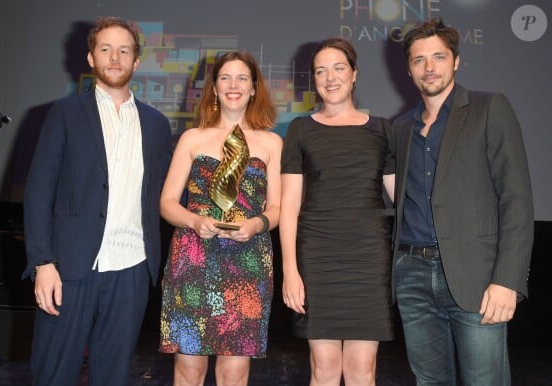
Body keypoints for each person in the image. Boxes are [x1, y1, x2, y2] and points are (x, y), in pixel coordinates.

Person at [22, 16, 173, 386]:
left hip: (132, 269)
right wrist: (43, 263)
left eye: (124, 50)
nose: (115, 57)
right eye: (105, 49)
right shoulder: (65, 114)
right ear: (91, 58)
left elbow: (168, 193)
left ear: (136, 61)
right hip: (70, 269)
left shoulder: (156, 124)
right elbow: (38, 191)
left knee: (113, 376)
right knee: (53, 374)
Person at [389, 18, 534, 385]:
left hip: (478, 278)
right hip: (413, 277)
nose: (429, 67)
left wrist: (508, 280)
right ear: (408, 69)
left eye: (438, 57)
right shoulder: (401, 128)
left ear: (456, 61)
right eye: (419, 60)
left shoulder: (490, 108)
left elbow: (516, 200)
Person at [159, 50, 282, 386]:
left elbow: (277, 208)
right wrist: (195, 221)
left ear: (254, 88)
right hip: (194, 259)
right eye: (225, 77)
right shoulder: (192, 138)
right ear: (213, 87)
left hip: (248, 263)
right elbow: (168, 203)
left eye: (242, 78)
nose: (234, 85)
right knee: (189, 370)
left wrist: (257, 224)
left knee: (234, 372)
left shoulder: (272, 142)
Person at [280, 37, 395, 386]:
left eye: (338, 68)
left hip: (369, 259)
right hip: (317, 257)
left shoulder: (382, 129)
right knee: (325, 368)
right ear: (313, 79)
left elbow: (402, 198)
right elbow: (288, 207)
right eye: (320, 70)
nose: (330, 77)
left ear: (355, 74)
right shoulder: (300, 129)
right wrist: (290, 270)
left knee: (362, 370)